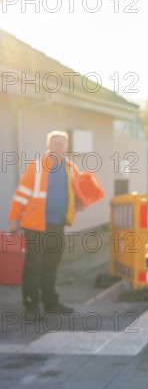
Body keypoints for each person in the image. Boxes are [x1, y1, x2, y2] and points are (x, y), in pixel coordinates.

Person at [8, 131, 81, 318]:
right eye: (55, 143)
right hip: (36, 225)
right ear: (48, 146)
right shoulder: (37, 167)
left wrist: (79, 204)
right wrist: (14, 219)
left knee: (51, 265)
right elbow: (22, 194)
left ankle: (51, 304)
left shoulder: (71, 168)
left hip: (58, 225)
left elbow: (79, 193)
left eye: (62, 143)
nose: (58, 146)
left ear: (66, 146)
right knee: (34, 266)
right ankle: (31, 308)